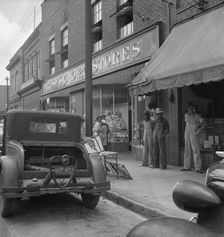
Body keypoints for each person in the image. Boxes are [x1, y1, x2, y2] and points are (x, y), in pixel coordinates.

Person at [181, 104, 206, 173]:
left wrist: (199, 130)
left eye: (191, 109)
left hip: (194, 134)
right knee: (187, 150)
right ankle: (186, 166)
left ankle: (198, 168)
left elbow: (204, 123)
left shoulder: (197, 116)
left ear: (193, 109)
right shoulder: (186, 115)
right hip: (187, 134)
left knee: (196, 150)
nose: (189, 110)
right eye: (188, 109)